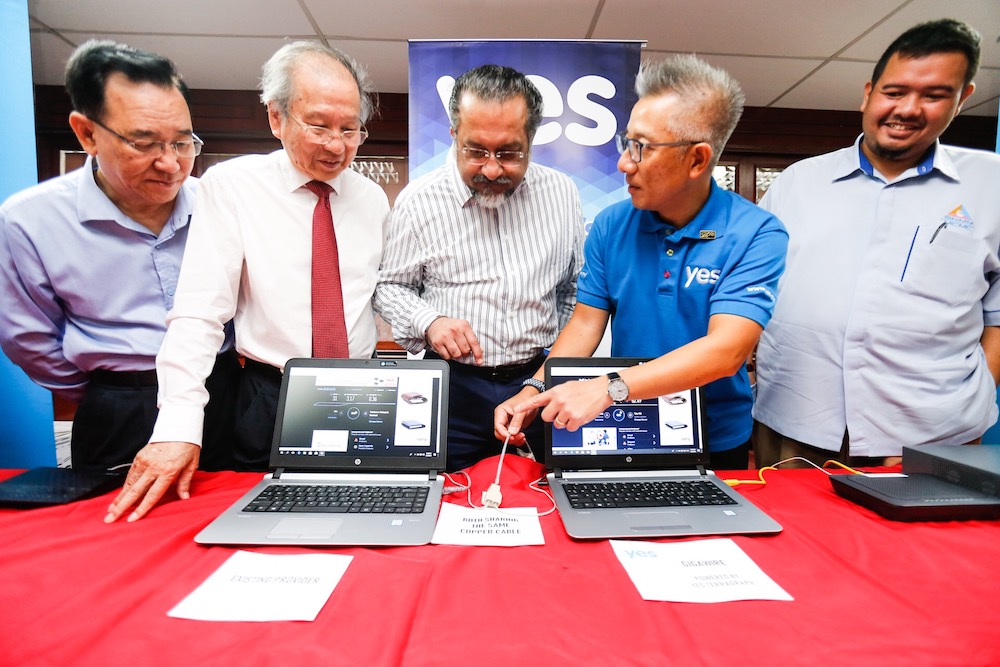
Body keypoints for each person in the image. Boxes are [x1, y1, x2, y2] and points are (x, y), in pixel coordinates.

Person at [104, 41, 389, 522]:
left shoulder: (372, 198)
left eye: (350, 129)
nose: (337, 145)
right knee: (266, 525)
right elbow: (199, 312)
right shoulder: (233, 186)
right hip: (274, 396)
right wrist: (177, 424)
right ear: (277, 117)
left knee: (366, 520)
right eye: (319, 126)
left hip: (362, 393)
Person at [496, 55, 788, 471]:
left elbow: (726, 350)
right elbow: (585, 325)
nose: (624, 163)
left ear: (697, 160)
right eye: (626, 142)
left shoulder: (756, 232)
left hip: (715, 436)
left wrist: (608, 387)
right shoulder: (612, 225)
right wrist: (534, 389)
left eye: (642, 147)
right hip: (630, 424)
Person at [752, 19, 999, 468]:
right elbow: (751, 292)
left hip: (932, 435)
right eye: (894, 91)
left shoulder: (991, 186)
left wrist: (964, 405)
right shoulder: (797, 183)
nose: (908, 109)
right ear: (868, 94)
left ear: (962, 99)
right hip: (796, 424)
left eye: (934, 95)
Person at [0, 40, 239, 473]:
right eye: (143, 144)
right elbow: (29, 339)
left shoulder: (218, 205)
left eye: (182, 142)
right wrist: (112, 391)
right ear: (87, 133)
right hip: (120, 407)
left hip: (222, 394)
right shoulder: (29, 220)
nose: (170, 164)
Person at [374, 64, 584, 471]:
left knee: (547, 493)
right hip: (451, 389)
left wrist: (547, 372)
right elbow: (390, 287)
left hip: (536, 381)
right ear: (454, 135)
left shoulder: (562, 194)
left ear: (531, 140)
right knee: (442, 494)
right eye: (475, 151)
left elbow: (572, 290)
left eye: (508, 153)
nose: (491, 169)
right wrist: (430, 322)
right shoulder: (419, 201)